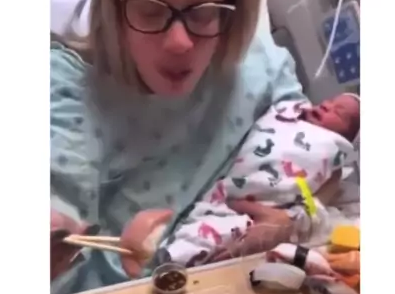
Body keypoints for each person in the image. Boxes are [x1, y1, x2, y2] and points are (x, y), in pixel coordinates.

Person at [50, 0, 305, 294]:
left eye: (203, 13)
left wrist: (292, 220)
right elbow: (57, 196)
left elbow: (321, 151)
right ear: (113, 8)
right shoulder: (68, 94)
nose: (179, 42)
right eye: (149, 9)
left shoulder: (263, 70)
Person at [149, 93, 360, 269]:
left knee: (229, 231)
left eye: (339, 112)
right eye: (330, 101)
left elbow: (309, 198)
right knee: (206, 216)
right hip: (231, 186)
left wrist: (295, 215)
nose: (327, 105)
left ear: (347, 138)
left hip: (262, 205)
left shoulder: (329, 155)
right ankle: (171, 254)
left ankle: (178, 258)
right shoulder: (286, 112)